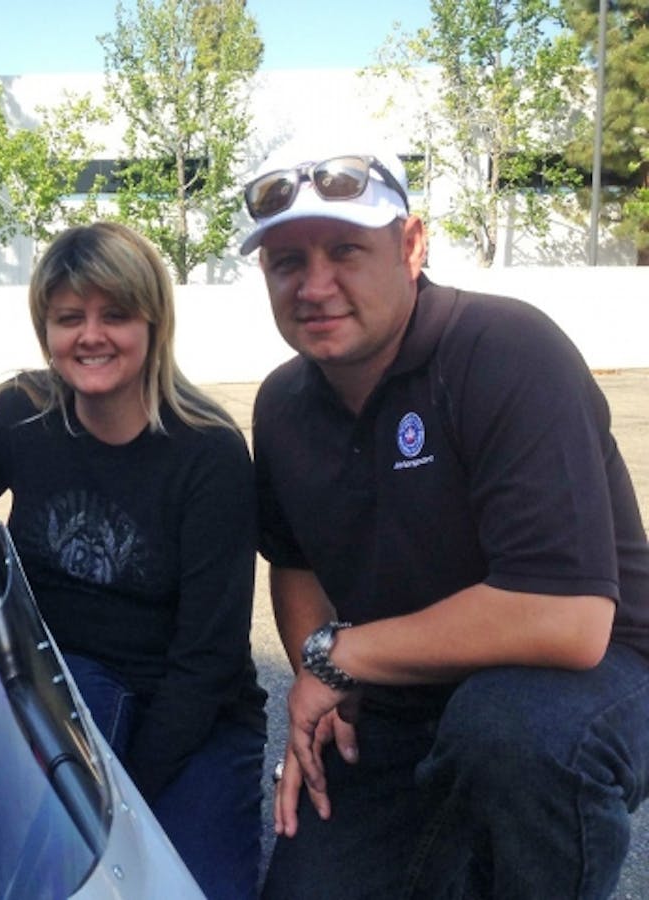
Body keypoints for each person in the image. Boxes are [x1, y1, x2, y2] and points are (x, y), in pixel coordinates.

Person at [242, 139, 649, 898]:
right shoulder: (282, 405)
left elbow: (568, 621)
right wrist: (315, 677)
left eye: (345, 250)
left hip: (591, 679)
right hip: (404, 694)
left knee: (514, 734)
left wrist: (341, 657)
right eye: (287, 261)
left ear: (411, 246)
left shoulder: (506, 349)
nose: (315, 286)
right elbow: (293, 560)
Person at [0, 221, 268, 899]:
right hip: (57, 689)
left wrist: (119, 798)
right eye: (69, 317)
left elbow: (209, 659)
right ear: (45, 327)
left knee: (181, 886)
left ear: (154, 322)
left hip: (188, 712)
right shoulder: (22, 412)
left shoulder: (208, 452)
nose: (91, 336)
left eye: (116, 315)